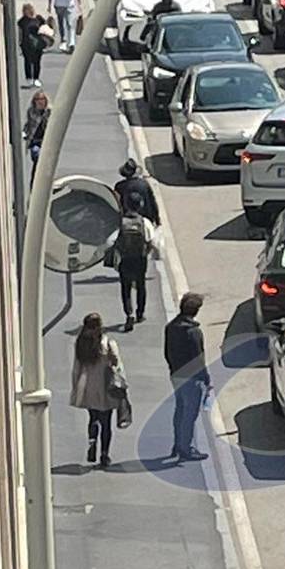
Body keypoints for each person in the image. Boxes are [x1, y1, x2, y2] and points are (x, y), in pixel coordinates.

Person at [70, 312, 122, 468]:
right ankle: (104, 454)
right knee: (106, 423)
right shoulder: (107, 343)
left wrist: (76, 388)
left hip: (89, 387)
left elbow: (76, 368)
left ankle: (92, 442)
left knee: (93, 418)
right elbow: (116, 363)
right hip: (105, 387)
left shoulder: (80, 343)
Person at [164, 292, 211, 462]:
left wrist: (173, 368)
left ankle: (178, 443)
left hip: (176, 374)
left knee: (180, 410)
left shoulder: (170, 327)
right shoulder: (194, 332)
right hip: (191, 377)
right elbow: (198, 358)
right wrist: (205, 377)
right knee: (190, 414)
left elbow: (167, 352)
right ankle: (186, 447)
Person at [115, 196, 155, 332]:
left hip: (125, 259)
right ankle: (140, 313)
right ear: (141, 205)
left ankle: (129, 313)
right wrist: (146, 253)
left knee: (125, 288)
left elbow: (113, 241)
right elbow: (151, 242)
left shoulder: (120, 222)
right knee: (141, 285)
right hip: (140, 259)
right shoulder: (144, 222)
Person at [113, 159, 160, 224]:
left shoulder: (119, 186)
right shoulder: (144, 184)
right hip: (146, 218)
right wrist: (157, 219)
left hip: (127, 219)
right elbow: (152, 202)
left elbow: (117, 204)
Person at [18, 2, 49, 86]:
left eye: (27, 10)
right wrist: (20, 42)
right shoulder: (22, 21)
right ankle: (29, 78)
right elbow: (20, 32)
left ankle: (36, 78)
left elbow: (45, 29)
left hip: (38, 44)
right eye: (24, 10)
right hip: (26, 44)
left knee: (37, 62)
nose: (26, 12)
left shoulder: (38, 19)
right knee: (27, 61)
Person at [23, 90, 50, 179]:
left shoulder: (49, 112)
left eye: (42, 99)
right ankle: (35, 181)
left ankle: (41, 182)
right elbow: (29, 124)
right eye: (38, 99)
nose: (40, 101)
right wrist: (24, 133)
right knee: (37, 158)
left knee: (45, 164)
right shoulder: (31, 111)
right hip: (35, 141)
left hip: (46, 141)